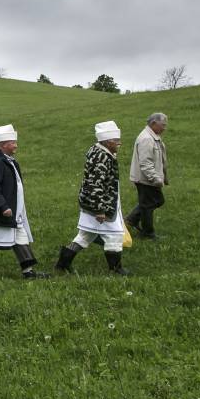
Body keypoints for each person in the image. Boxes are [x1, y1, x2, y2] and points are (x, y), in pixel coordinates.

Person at [54, 121, 131, 276]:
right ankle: (116, 269)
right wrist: (100, 209)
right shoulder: (102, 157)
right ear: (108, 142)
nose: (119, 144)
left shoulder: (99, 152)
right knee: (114, 235)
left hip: (92, 203)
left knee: (85, 235)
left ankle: (63, 264)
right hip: (101, 205)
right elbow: (95, 184)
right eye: (117, 141)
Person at [0, 124, 49, 280]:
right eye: (12, 142)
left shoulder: (7, 160)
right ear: (3, 144)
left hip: (14, 211)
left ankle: (28, 272)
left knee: (20, 238)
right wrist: (2, 206)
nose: (16, 145)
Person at [124, 112, 169, 240]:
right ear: (154, 123)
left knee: (151, 202)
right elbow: (145, 163)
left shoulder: (152, 136)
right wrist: (155, 179)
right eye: (163, 125)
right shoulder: (146, 139)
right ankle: (147, 233)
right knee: (150, 204)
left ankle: (131, 221)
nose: (164, 128)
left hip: (147, 178)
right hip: (146, 179)